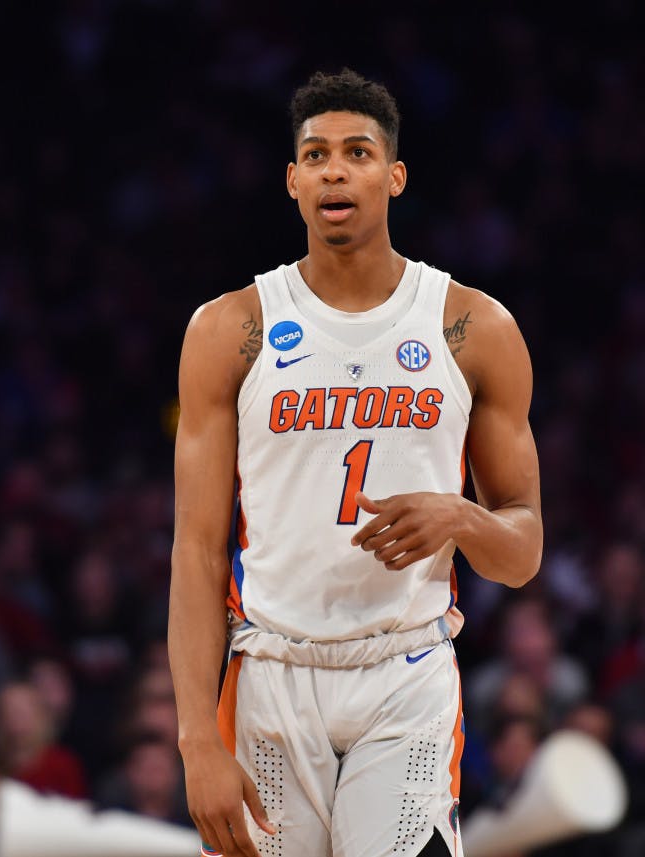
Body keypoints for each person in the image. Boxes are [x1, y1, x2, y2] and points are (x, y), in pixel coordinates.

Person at [168, 68, 543, 857]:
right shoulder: (230, 328)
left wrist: (461, 515)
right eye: (317, 155)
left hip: (405, 671)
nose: (336, 169)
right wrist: (197, 739)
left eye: (359, 152)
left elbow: (522, 552)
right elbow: (198, 549)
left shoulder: (473, 326)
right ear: (294, 180)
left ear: (394, 175)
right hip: (270, 670)